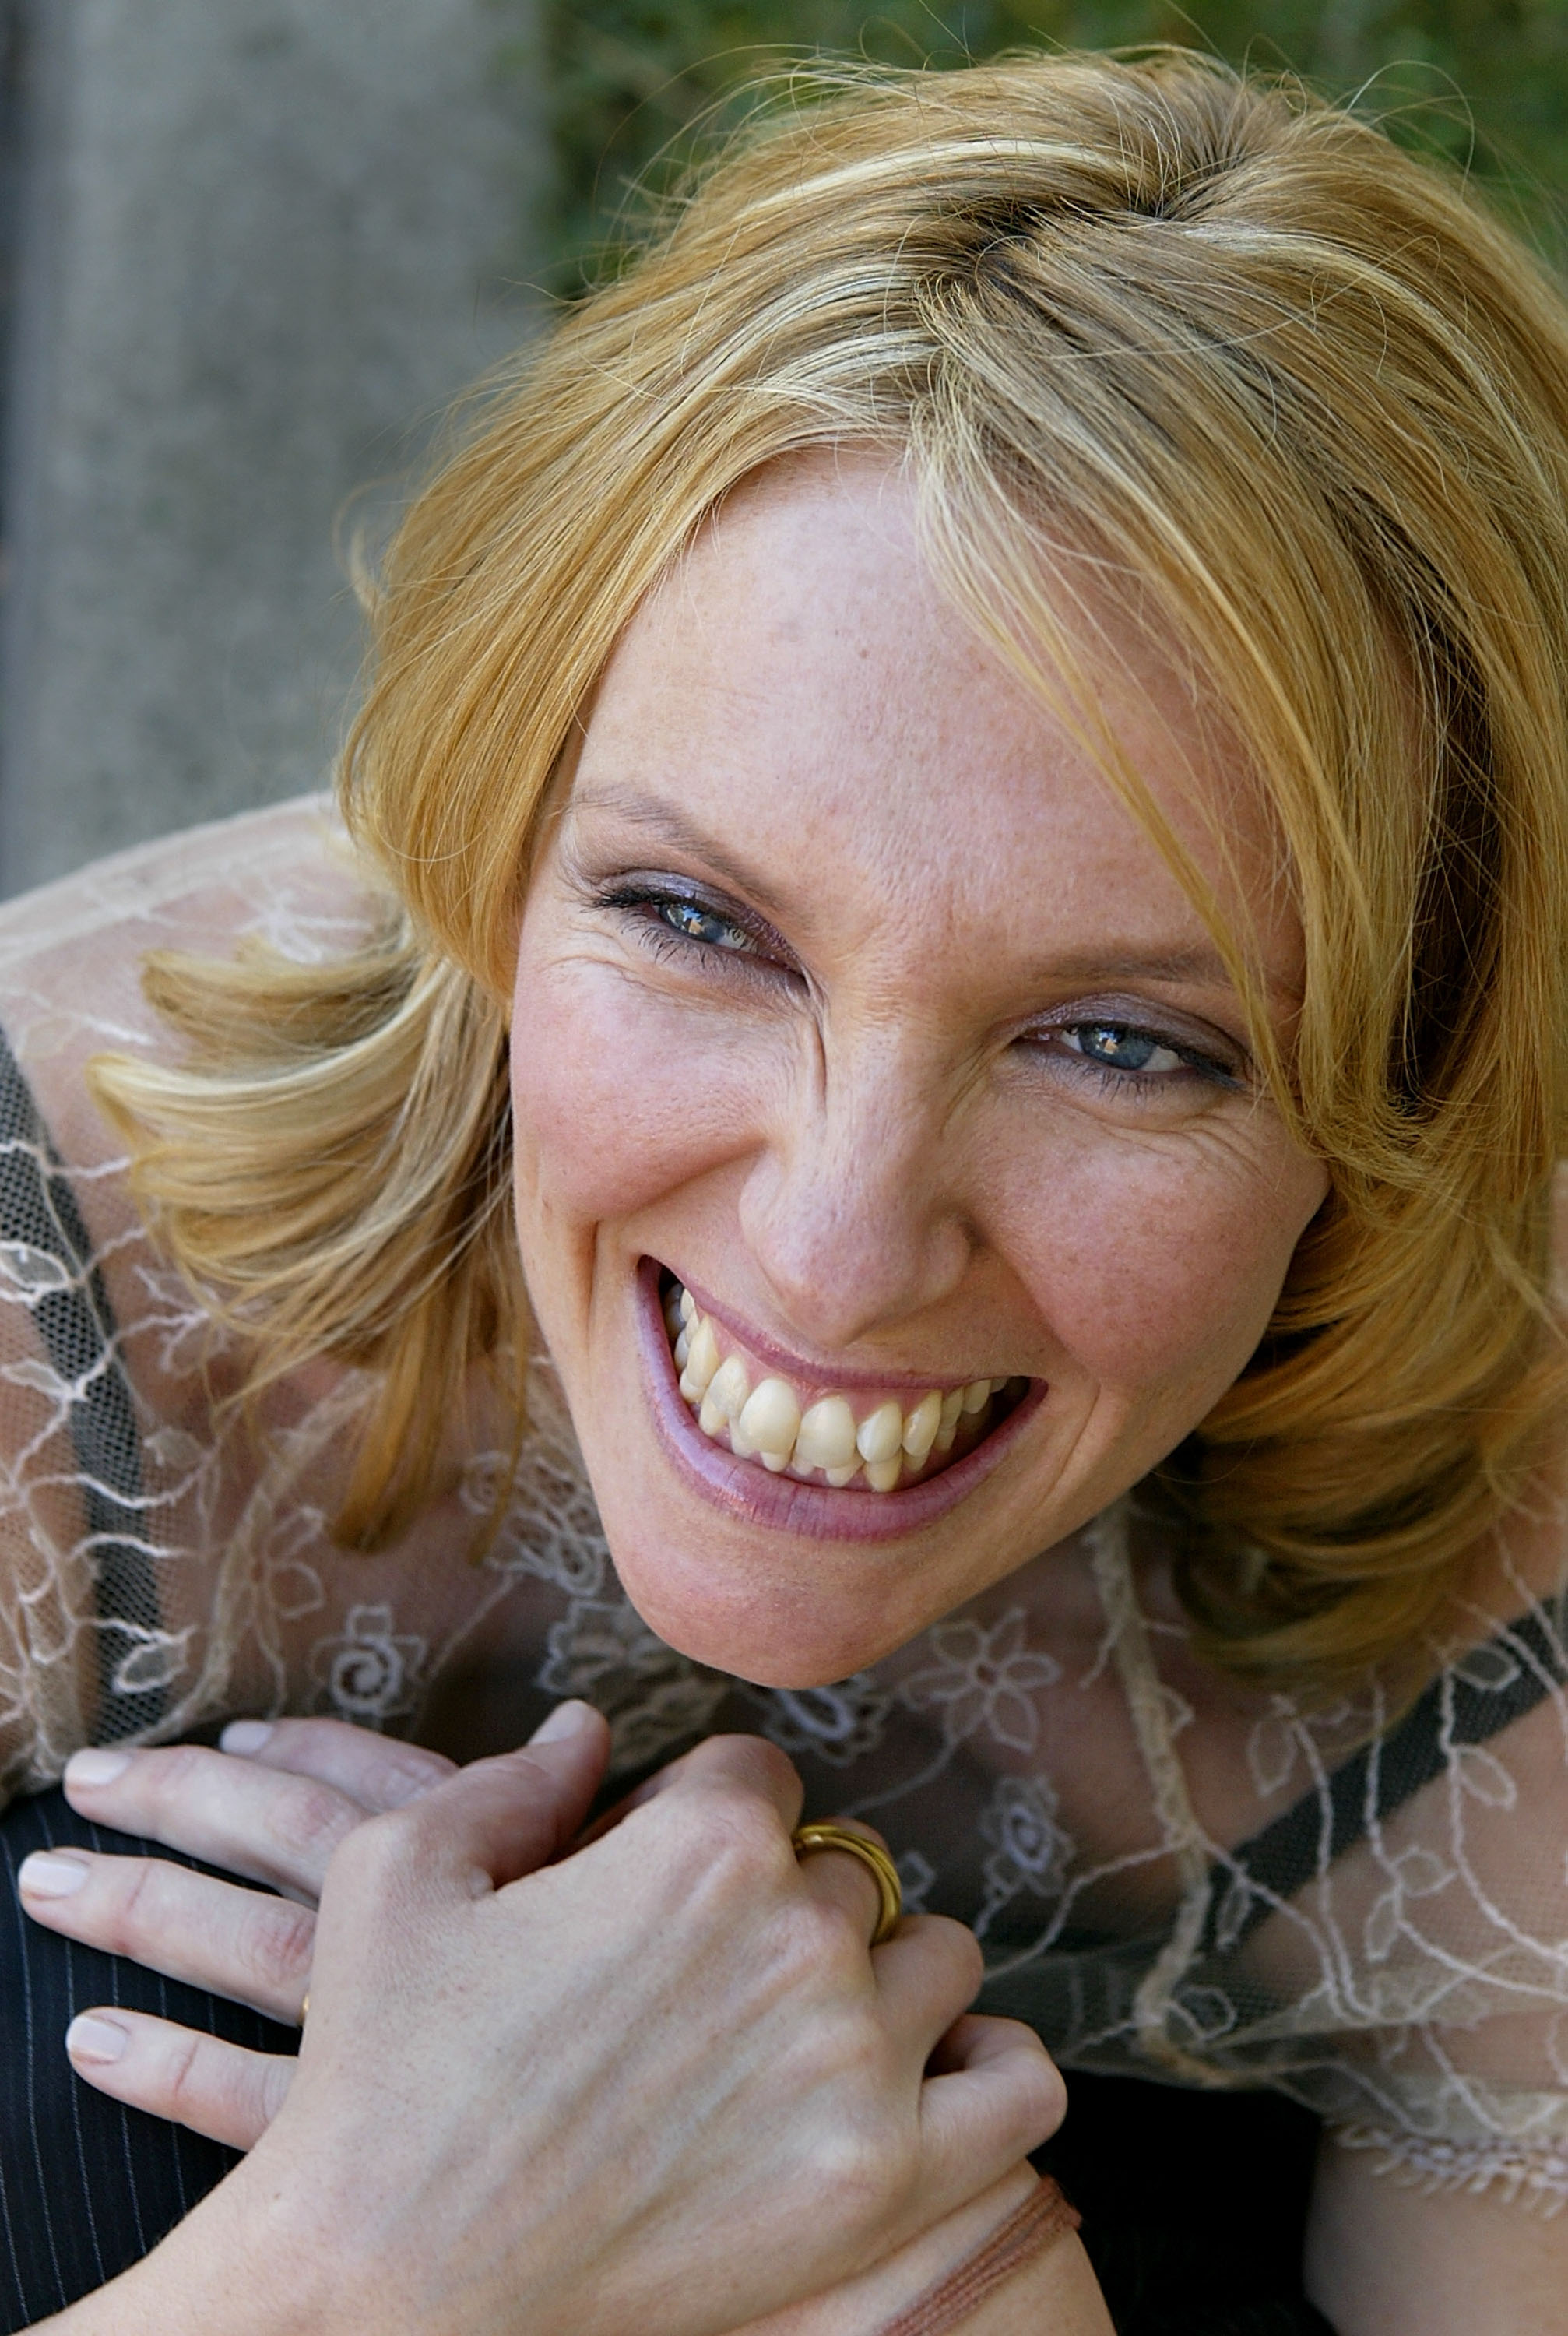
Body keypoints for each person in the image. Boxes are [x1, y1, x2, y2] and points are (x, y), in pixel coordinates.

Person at [2, 41, 1568, 2333]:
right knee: (102, 2055)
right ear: (489, 825)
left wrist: (988, 2301)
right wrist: (388, 2254)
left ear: (1420, 1077)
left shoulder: (1527, 1616)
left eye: (1127, 1042)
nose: (836, 1253)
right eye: (698, 921)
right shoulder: (42, 1307)